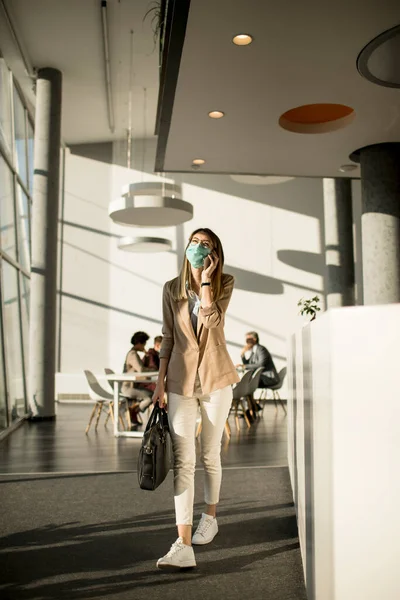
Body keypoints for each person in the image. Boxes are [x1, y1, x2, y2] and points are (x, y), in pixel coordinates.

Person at [152, 227, 240, 570]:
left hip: (217, 380)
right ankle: (183, 543)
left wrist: (205, 282)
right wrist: (159, 383)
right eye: (194, 242)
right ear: (186, 247)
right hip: (179, 381)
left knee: (209, 454)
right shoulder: (171, 289)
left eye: (207, 244)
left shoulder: (224, 283)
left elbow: (213, 322)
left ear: (215, 254)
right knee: (182, 459)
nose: (199, 247)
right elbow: (168, 338)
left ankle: (211, 516)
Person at [121, 331, 154, 427]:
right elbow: (141, 369)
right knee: (150, 397)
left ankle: (134, 410)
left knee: (152, 394)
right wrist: (153, 369)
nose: (145, 346)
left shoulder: (133, 353)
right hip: (128, 388)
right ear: (139, 343)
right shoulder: (132, 354)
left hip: (132, 386)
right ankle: (134, 410)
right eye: (144, 344)